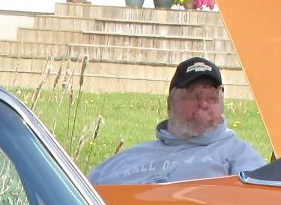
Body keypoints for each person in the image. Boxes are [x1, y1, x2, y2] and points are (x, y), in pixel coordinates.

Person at [87, 56, 265, 185]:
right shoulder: (126, 160)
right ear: (170, 104)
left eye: (211, 97)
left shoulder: (236, 155)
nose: (203, 104)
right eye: (192, 96)